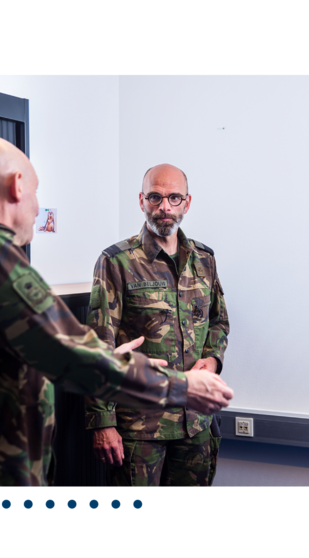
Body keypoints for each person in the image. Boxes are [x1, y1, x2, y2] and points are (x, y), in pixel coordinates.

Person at [0, 137, 233, 488]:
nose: (37, 208)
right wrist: (180, 385)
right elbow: (69, 351)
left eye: (174, 197)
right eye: (36, 192)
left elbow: (35, 352)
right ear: (17, 186)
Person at [85, 164, 229, 488]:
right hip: (139, 427)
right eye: (155, 197)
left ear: (186, 203)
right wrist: (102, 422)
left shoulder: (204, 259)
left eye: (174, 198)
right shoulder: (116, 261)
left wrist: (213, 359)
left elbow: (218, 321)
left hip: (195, 420)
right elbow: (98, 345)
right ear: (142, 201)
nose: (164, 206)